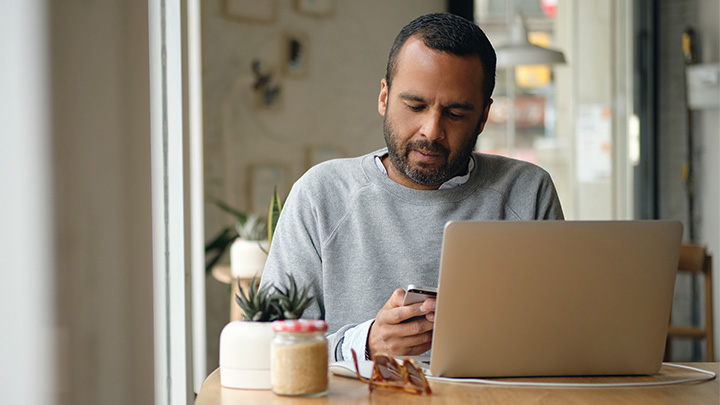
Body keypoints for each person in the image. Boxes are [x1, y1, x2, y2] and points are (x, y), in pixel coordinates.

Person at [260, 12, 564, 362]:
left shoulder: (527, 191)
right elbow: (271, 347)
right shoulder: (321, 194)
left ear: (482, 117)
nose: (431, 131)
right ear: (384, 98)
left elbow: (562, 335)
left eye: (456, 113)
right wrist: (367, 342)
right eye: (415, 105)